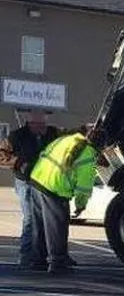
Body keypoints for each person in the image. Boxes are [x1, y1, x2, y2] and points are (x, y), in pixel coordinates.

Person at [27, 127, 100, 273]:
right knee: (57, 228)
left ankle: (38, 260)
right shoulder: (88, 153)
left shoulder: (65, 140)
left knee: (39, 226)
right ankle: (57, 263)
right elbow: (84, 186)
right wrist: (80, 205)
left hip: (37, 180)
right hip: (55, 189)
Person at [0, 110, 61, 267]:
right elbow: (1, 155)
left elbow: (71, 137)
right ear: (29, 120)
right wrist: (19, 163)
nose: (41, 124)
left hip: (46, 182)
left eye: (43, 121)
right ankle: (26, 255)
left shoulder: (54, 133)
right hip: (26, 182)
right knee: (30, 218)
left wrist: (85, 131)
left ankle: (42, 255)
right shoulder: (17, 136)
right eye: (37, 121)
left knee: (46, 219)